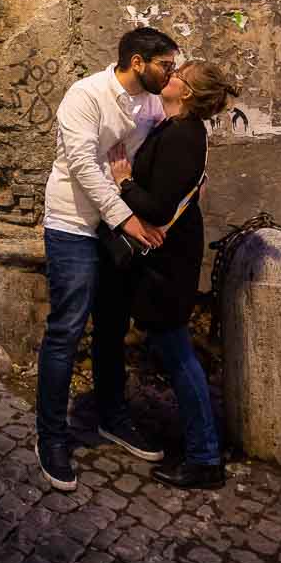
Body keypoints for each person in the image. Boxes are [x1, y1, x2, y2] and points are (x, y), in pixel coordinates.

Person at [36, 27, 179, 492]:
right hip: (73, 224)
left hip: (112, 230)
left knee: (113, 327)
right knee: (67, 329)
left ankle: (111, 417)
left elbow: (167, 135)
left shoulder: (152, 104)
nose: (170, 73)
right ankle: (51, 436)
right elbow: (82, 164)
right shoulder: (85, 95)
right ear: (137, 62)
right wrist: (126, 219)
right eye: (165, 65)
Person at [107, 59, 240, 489]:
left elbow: (159, 206)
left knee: (178, 353)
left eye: (178, 74)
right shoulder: (178, 128)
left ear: (185, 92)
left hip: (168, 260)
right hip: (167, 256)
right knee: (173, 348)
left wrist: (125, 182)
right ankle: (202, 450)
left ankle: (204, 458)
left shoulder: (183, 135)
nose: (170, 76)